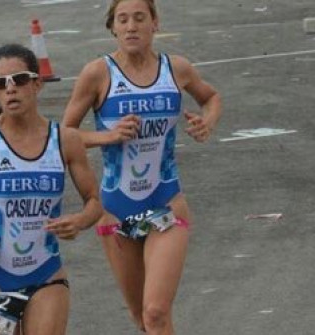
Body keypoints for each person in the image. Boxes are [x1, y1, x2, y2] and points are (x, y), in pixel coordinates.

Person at [61, 1, 222, 334]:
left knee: (156, 312)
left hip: (166, 203)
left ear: (155, 24)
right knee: (140, 317)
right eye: (123, 20)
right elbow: (65, 136)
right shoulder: (98, 73)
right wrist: (107, 136)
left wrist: (207, 122)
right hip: (116, 211)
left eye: (139, 18)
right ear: (113, 28)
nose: (131, 26)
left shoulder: (176, 69)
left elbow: (211, 97)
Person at [0, 43, 103, 335]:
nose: (10, 89)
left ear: (37, 83)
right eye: (0, 83)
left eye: (18, 79)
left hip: (46, 275)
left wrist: (79, 221)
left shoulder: (65, 140)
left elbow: (94, 201)